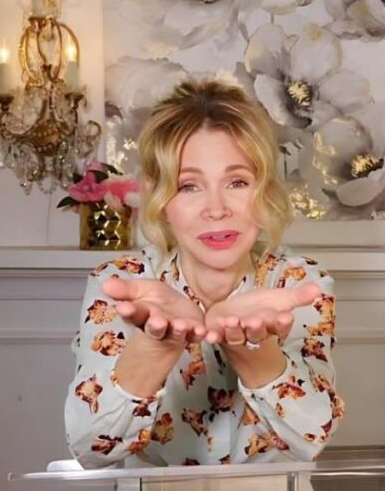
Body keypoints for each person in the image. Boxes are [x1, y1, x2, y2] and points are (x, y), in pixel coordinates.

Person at [65, 79, 343, 469]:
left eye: (237, 182)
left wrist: (256, 350)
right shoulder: (124, 283)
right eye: (189, 186)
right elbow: (89, 448)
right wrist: (155, 346)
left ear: (264, 191)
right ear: (162, 202)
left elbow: (311, 439)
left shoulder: (297, 283)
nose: (216, 209)